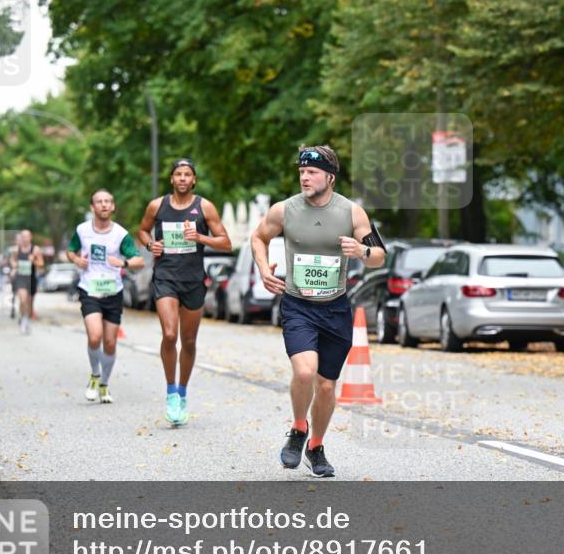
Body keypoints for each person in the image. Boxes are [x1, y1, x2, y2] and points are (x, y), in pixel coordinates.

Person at [251, 145, 386, 477]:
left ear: (330, 176)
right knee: (305, 372)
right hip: (298, 305)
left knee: (327, 385)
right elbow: (258, 237)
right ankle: (299, 429)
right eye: (301, 172)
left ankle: (316, 447)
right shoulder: (284, 210)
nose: (304, 178)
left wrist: (361, 252)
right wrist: (263, 270)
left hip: (335, 308)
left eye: (311, 172)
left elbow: (380, 255)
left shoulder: (352, 213)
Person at [137, 158, 231, 425]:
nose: (182, 178)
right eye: (177, 174)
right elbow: (143, 230)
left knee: (188, 341)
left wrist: (200, 238)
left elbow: (225, 242)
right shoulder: (157, 205)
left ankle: (183, 391)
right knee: (169, 334)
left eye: (187, 174)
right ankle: (170, 393)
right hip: (166, 277)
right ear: (171, 179)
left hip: (193, 280)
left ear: (193, 180)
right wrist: (150, 244)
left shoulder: (205, 207)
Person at [67, 189, 145, 404]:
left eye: (107, 202)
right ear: (92, 207)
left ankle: (104, 384)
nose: (103, 205)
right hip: (89, 289)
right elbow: (70, 250)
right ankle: (94, 375)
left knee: (110, 342)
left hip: (113, 292)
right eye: (99, 202)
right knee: (95, 336)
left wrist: (124, 263)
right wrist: (76, 259)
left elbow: (139, 261)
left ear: (113, 207)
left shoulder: (120, 234)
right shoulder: (82, 231)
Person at [10, 230, 43, 334]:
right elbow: (12, 260)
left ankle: (26, 318)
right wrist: (14, 265)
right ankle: (24, 319)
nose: (25, 239)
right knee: (22, 299)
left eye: (27, 236)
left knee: (29, 302)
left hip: (32, 278)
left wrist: (33, 260)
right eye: (23, 236)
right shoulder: (16, 249)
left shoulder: (35, 250)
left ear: (30, 237)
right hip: (21, 278)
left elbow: (41, 263)